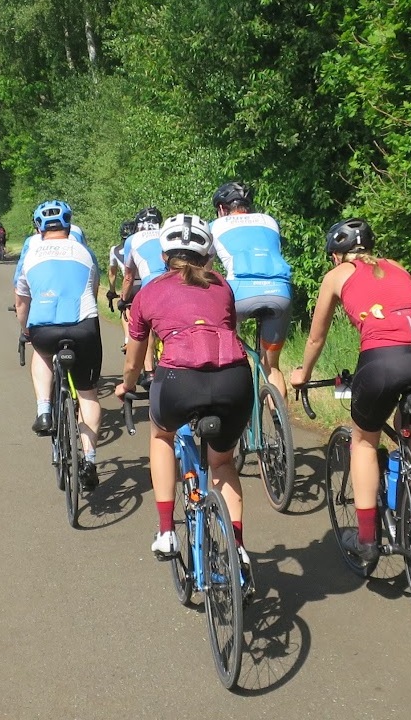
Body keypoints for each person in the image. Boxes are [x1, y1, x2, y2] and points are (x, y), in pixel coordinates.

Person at [289, 218, 411, 563]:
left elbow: (317, 337)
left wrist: (302, 373)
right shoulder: (396, 266)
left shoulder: (336, 276)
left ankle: (367, 541)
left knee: (364, 441)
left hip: (385, 361)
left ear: (336, 255)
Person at [114, 213, 254, 581]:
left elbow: (133, 358)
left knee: (161, 435)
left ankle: (165, 531)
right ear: (208, 258)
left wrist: (127, 386)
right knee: (222, 464)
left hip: (179, 378)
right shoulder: (221, 285)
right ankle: (237, 548)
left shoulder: (148, 293)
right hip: (233, 378)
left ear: (164, 258)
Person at [16, 200, 104, 489]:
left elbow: (21, 301)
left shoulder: (30, 252)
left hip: (45, 329)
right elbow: (92, 289)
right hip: (83, 327)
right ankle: (89, 459)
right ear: (69, 224)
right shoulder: (84, 251)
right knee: (88, 395)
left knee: (40, 351)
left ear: (38, 227)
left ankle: (44, 411)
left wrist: (24, 330)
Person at [209, 182, 294, 396]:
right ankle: (279, 425)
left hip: (240, 294)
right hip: (280, 292)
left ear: (221, 209)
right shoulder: (269, 221)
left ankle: (234, 396)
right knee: (271, 367)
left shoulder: (215, 226)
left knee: (225, 354)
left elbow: (205, 270)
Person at [121, 207, 166, 381]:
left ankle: (148, 371)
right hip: (173, 284)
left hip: (150, 287)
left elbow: (128, 277)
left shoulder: (132, 239)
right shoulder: (167, 234)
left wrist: (123, 300)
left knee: (146, 328)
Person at [107, 219, 137, 352]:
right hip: (148, 282)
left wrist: (112, 291)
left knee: (124, 307)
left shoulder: (115, 250)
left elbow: (112, 273)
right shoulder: (141, 245)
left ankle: (127, 340)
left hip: (131, 284)